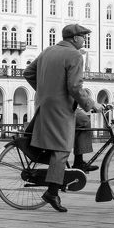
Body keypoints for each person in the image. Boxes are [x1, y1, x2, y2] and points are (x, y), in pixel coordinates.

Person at [23, 23, 103, 212]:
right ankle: (52, 192)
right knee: (61, 148)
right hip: (59, 109)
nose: (85, 39)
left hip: (46, 105)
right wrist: (92, 104)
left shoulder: (48, 51)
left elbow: (28, 73)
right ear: (75, 38)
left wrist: (45, 90)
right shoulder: (75, 55)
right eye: (83, 36)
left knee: (83, 120)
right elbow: (75, 87)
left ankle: (79, 161)